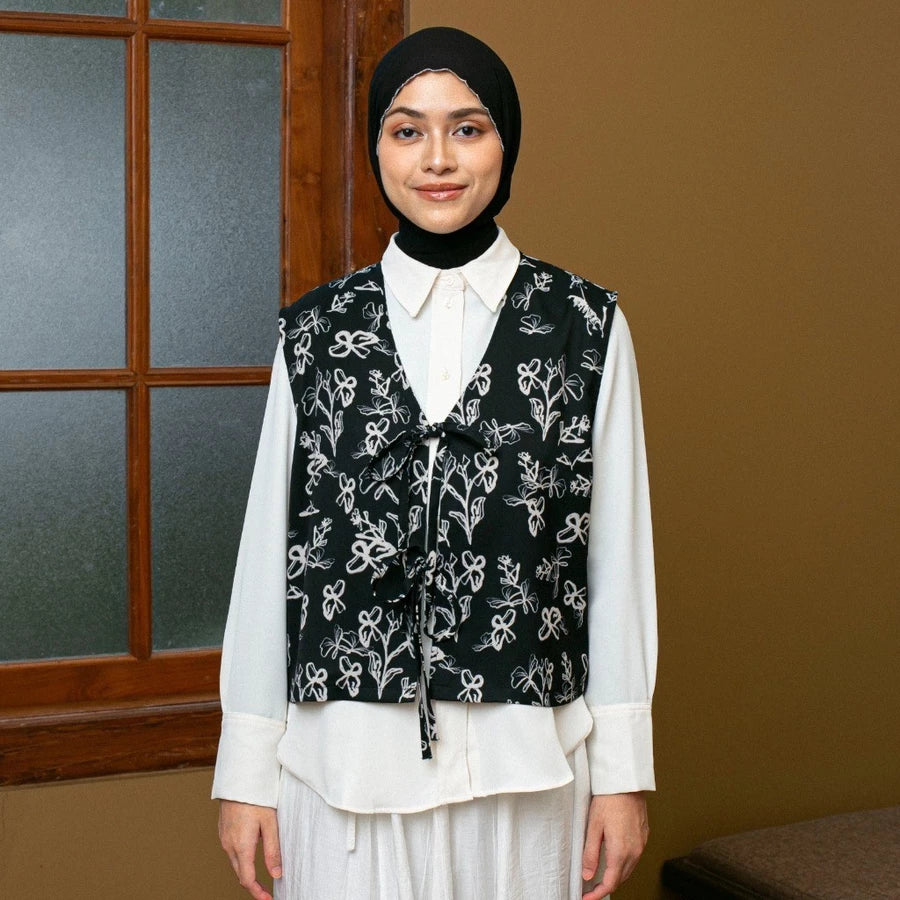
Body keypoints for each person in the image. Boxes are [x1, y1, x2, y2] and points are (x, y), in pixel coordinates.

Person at [214, 26, 656, 900]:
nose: (438, 158)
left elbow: (617, 565)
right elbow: (269, 555)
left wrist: (625, 771)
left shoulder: (584, 327)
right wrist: (244, 768)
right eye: (408, 130)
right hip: (341, 772)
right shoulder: (314, 334)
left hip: (530, 774)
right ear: (377, 147)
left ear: (506, 143)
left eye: (469, 127)